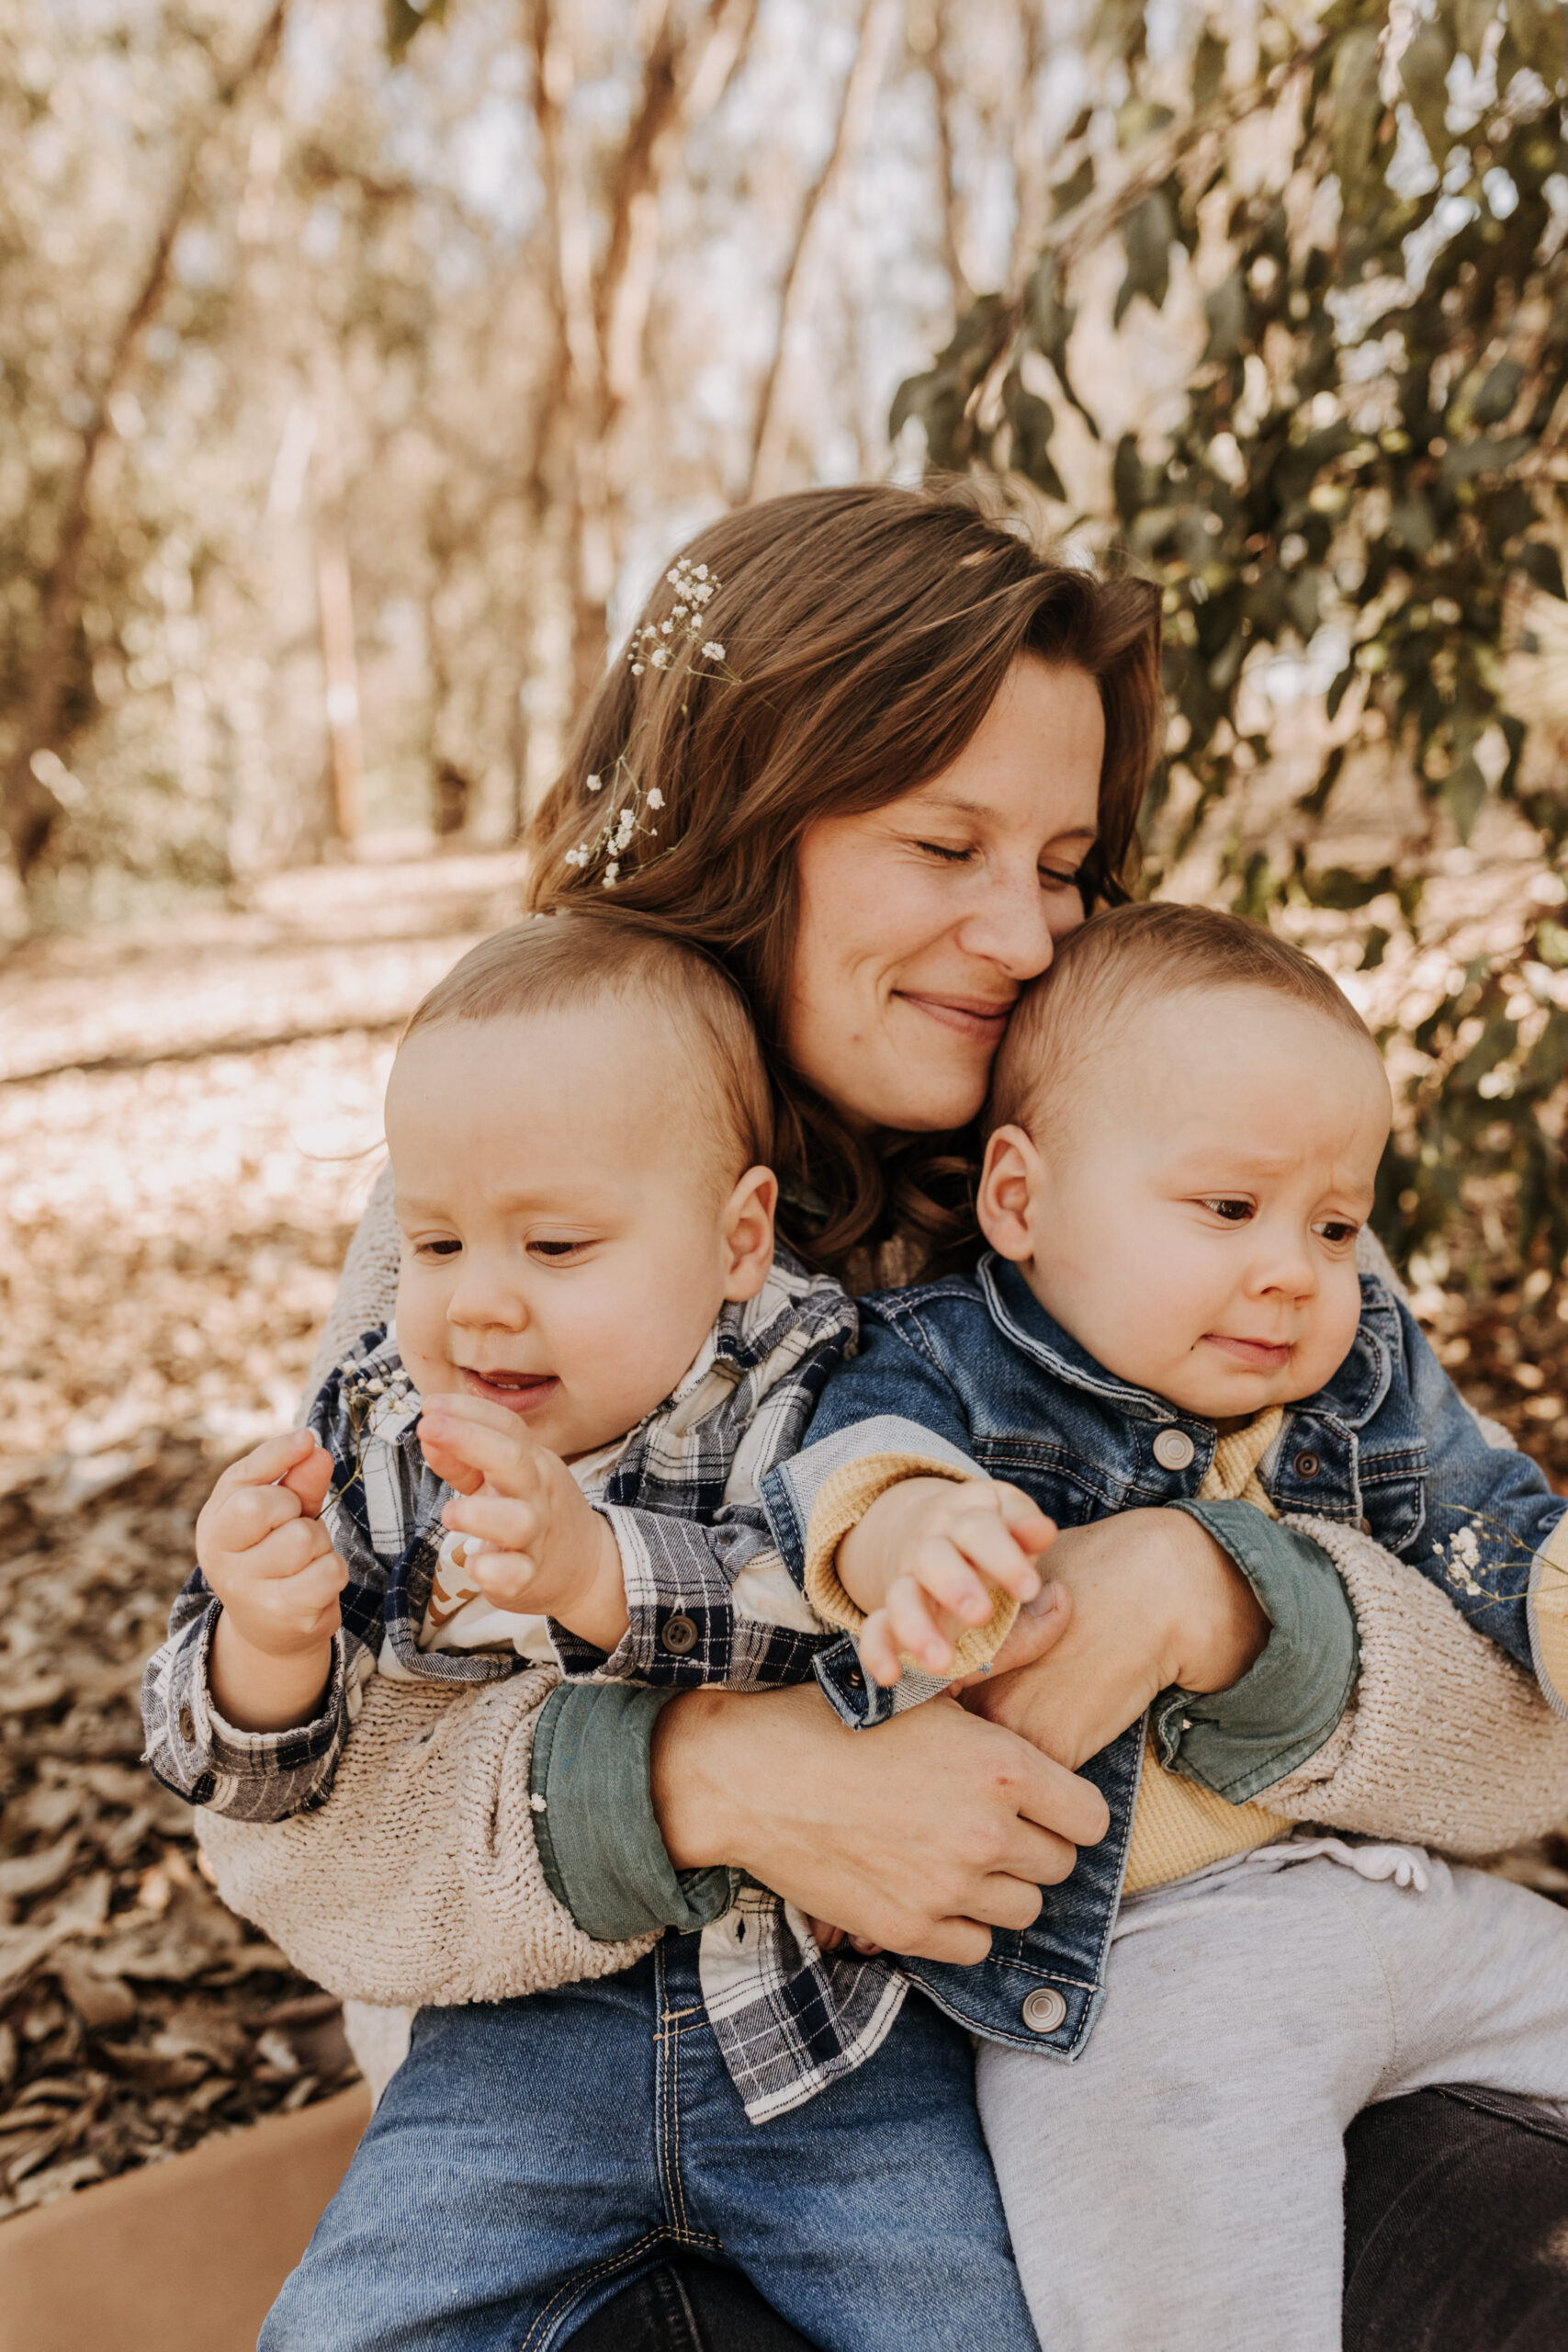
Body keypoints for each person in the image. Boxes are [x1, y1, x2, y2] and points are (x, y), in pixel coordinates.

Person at [180, 483, 1568, 2347]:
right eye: (943, 842)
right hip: (619, 2090)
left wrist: (1212, 1597)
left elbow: (1517, 1727)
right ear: (746, 819)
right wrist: (705, 1777)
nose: (1020, 931)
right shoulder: (528, 1200)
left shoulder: (1178, 1173)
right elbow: (298, 1827)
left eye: (1064, 860)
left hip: (1180, 2058)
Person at [144, 912, 1064, 2347]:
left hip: (831, 2060)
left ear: (737, 1236)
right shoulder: (394, 1426)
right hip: (515, 2053)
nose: (478, 1302)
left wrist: (595, 1570)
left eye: (557, 1244)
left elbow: (828, 1623)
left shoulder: (813, 1381)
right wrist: (266, 1640)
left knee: (971, 2320)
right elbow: (264, 1785)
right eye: (437, 1240)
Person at [774, 899, 1568, 2351]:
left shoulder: (1352, 1368)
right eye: (1228, 1210)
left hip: (1397, 1898)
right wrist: (915, 1537)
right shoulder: (947, 1362)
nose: (1296, 1270)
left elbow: (1495, 1530)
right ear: (1019, 1200)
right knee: (1188, 2288)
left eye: (1337, 1224)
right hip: (1146, 1975)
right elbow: (853, 1473)